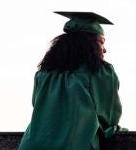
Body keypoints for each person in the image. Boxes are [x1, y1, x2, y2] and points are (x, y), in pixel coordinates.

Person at [18, 11, 123, 150]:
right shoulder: (99, 72)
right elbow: (108, 116)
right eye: (101, 42)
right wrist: (112, 129)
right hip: (76, 145)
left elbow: (38, 106)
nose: (105, 50)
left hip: (33, 145)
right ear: (89, 44)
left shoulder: (43, 74)